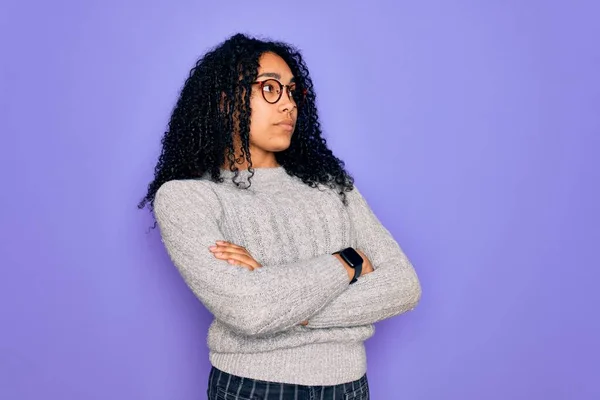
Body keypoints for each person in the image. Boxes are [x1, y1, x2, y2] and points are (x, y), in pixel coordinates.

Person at [138, 33, 421, 400]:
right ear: (225, 101)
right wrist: (347, 262)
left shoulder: (331, 185)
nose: (288, 104)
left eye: (292, 91)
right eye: (270, 88)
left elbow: (404, 286)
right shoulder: (186, 197)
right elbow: (251, 311)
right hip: (254, 389)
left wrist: (287, 305)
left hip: (350, 387)